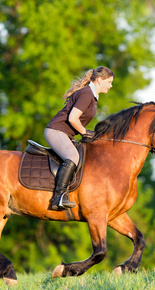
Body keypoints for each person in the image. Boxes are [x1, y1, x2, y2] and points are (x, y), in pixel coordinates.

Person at [45, 66, 115, 210]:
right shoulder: (87, 94)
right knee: (73, 156)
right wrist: (84, 132)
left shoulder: (92, 95)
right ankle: (57, 198)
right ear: (100, 80)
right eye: (109, 82)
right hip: (56, 131)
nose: (111, 85)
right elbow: (73, 118)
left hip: (65, 134)